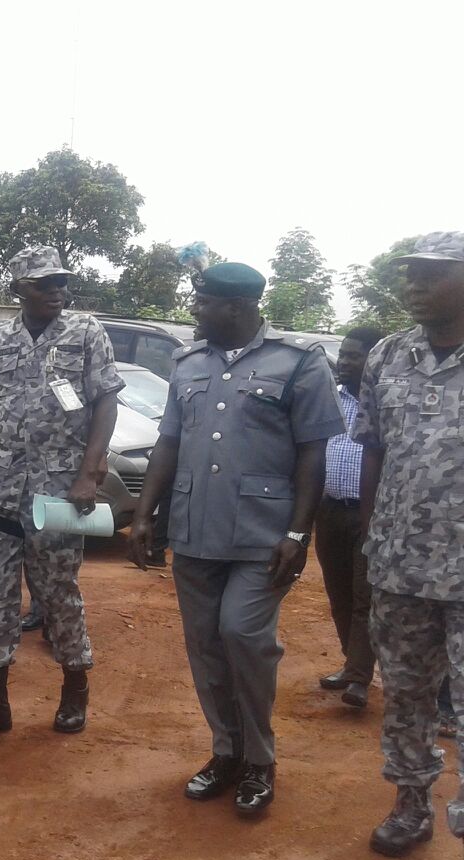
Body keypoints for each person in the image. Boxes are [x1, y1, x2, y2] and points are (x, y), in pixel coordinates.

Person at [128, 262, 343, 816]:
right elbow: (169, 443)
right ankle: (226, 751)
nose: (193, 309)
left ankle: (260, 760)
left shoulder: (299, 363)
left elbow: (313, 453)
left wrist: (298, 531)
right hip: (195, 527)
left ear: (237, 307)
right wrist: (145, 514)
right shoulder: (188, 363)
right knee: (205, 645)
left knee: (242, 634)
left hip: (263, 534)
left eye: (202, 301)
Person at [0, 246, 122, 743]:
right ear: (19, 288)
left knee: (58, 592)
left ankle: (74, 689)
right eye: (44, 283)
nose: (57, 290)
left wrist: (90, 472)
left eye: (61, 281)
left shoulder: (86, 331)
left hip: (59, 489)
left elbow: (105, 402)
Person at [349, 231, 464, 860]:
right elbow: (371, 448)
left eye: (431, 274)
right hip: (400, 566)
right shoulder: (389, 354)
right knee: (407, 697)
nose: (414, 285)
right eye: (409, 274)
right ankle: (411, 803)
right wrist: (371, 533)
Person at [315, 326, 384, 709]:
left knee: (364, 597)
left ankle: (358, 677)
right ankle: (351, 664)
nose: (344, 361)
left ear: (373, 359)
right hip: (329, 510)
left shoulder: (385, 402)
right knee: (338, 593)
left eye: (354, 355)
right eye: (343, 354)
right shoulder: (331, 399)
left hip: (368, 513)